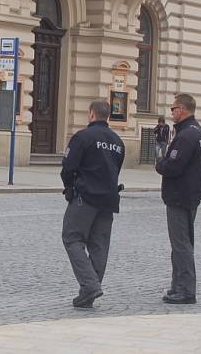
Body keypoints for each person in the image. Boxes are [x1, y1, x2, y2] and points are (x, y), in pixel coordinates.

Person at [59, 100, 125, 308]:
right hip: (109, 199)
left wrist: (69, 186)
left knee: (72, 238)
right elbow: (116, 169)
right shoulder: (118, 141)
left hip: (85, 197)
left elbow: (68, 167)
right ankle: (90, 289)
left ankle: (90, 285)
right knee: (99, 246)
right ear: (107, 116)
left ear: (91, 114)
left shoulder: (82, 137)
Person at [156, 94, 201, 305]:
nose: (171, 113)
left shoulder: (186, 135)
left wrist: (159, 162)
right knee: (183, 243)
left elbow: (173, 166)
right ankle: (178, 285)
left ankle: (186, 290)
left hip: (180, 195)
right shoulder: (200, 132)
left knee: (181, 245)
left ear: (183, 110)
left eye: (173, 109)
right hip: (191, 194)